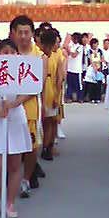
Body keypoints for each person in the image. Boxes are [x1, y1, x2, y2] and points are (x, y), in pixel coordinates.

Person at [0, 39, 32, 218]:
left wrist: (14, 104)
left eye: (12, 51)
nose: (8, 55)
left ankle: (10, 203)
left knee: (14, 165)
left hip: (16, 118)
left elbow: (29, 91)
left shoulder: (22, 69)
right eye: (5, 52)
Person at [10, 14, 42, 197]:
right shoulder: (7, 53)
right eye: (19, 32)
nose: (23, 36)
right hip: (8, 107)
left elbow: (37, 87)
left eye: (26, 32)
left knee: (31, 146)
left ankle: (26, 179)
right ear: (13, 33)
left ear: (32, 33)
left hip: (29, 108)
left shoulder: (39, 56)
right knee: (8, 144)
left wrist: (18, 101)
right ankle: (6, 178)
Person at [40, 28, 64, 160]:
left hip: (50, 88)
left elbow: (60, 77)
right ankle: (45, 146)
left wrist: (56, 95)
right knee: (47, 121)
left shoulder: (57, 55)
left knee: (50, 121)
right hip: (47, 87)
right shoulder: (42, 55)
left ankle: (47, 146)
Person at [65, 32, 84, 103]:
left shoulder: (80, 46)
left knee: (79, 85)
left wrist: (68, 50)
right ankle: (68, 98)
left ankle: (80, 98)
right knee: (69, 85)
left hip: (77, 69)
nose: (75, 39)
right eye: (73, 38)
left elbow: (74, 55)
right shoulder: (70, 46)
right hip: (70, 69)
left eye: (76, 38)